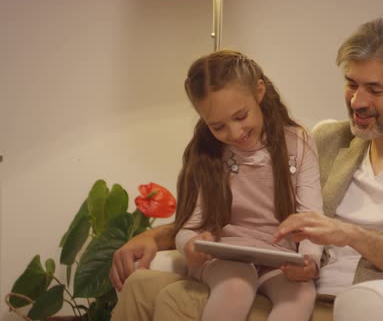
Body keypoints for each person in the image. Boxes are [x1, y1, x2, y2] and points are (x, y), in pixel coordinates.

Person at [111, 15, 383, 319]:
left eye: (374, 90)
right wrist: (154, 238)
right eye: (350, 84)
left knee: (174, 301)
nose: (356, 101)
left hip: (354, 304)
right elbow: (250, 212)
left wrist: (351, 235)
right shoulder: (328, 139)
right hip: (289, 284)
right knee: (143, 287)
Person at [112, 50, 324, 321]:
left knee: (302, 293)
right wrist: (191, 245)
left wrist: (309, 261)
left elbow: (311, 219)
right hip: (222, 260)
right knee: (237, 284)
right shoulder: (207, 153)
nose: (235, 133)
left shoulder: (299, 143)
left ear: (259, 92)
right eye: (218, 126)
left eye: (241, 116)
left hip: (278, 258)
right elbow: (188, 228)